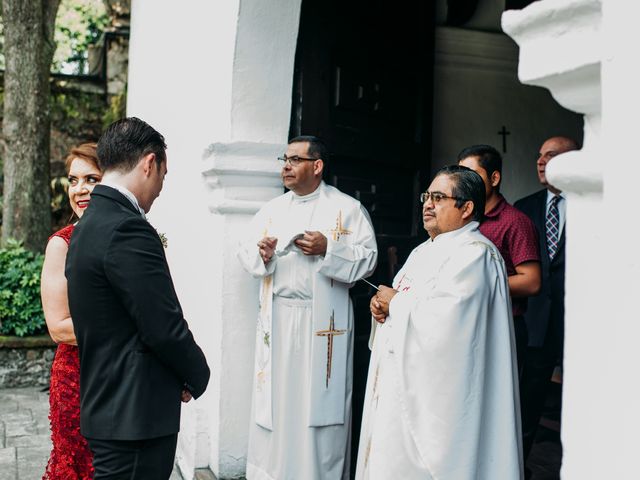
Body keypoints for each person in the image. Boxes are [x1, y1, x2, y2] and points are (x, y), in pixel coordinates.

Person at [65, 117, 210, 479]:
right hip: (135, 417)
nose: (161, 186)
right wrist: (197, 374)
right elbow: (161, 324)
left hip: (111, 405)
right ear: (149, 163)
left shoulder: (88, 225)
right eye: (163, 173)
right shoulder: (128, 227)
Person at [356, 165, 522, 480]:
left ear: (467, 208)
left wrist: (397, 303)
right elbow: (401, 301)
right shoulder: (422, 251)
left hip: (439, 400)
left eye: (438, 197)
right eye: (426, 196)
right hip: (399, 381)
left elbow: (452, 324)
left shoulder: (476, 254)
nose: (427, 204)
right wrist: (381, 309)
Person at [237, 135, 378, 480]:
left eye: (295, 160)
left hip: (324, 324)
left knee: (319, 409)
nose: (286, 166)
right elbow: (245, 253)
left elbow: (369, 259)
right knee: (278, 406)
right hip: (279, 318)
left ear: (317, 166)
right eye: (284, 159)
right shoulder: (271, 210)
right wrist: (263, 254)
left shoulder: (347, 209)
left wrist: (329, 248)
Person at [514, 136, 579, 463]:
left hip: (579, 321)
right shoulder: (523, 209)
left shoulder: (591, 205)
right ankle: (519, 468)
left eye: (551, 155)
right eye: (539, 155)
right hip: (535, 321)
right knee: (527, 405)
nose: (541, 161)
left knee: (583, 404)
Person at [41, 143, 102, 479]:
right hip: (76, 378)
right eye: (73, 180)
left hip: (120, 376)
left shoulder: (133, 236)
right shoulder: (60, 245)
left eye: (91, 179)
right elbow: (60, 328)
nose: (80, 189)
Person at [458, 144, 540, 374]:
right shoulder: (463, 218)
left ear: (494, 178)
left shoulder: (515, 221)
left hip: (504, 326)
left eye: (472, 176)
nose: (465, 183)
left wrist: (478, 285)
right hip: (468, 324)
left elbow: (531, 281)